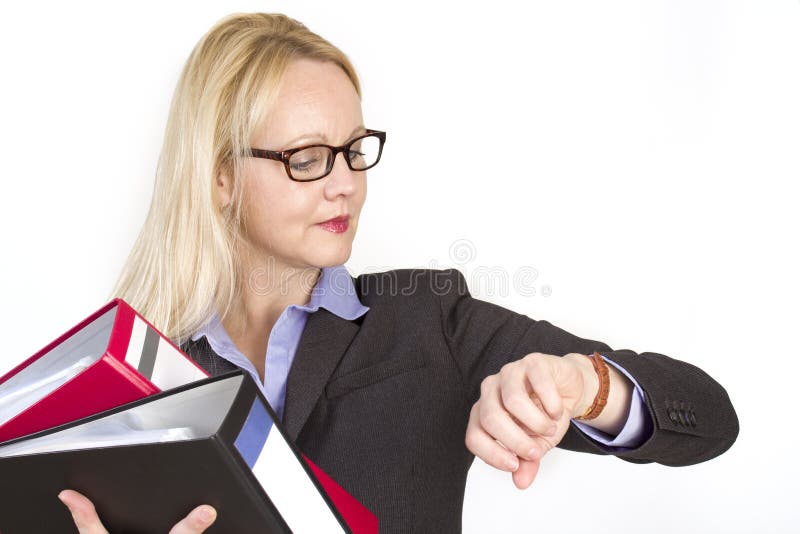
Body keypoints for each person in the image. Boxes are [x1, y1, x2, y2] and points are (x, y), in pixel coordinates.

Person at [56, 12, 739, 533]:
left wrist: (585, 386)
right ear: (221, 176)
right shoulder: (138, 378)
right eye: (306, 157)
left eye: (354, 151)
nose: (344, 185)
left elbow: (709, 418)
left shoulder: (429, 322)